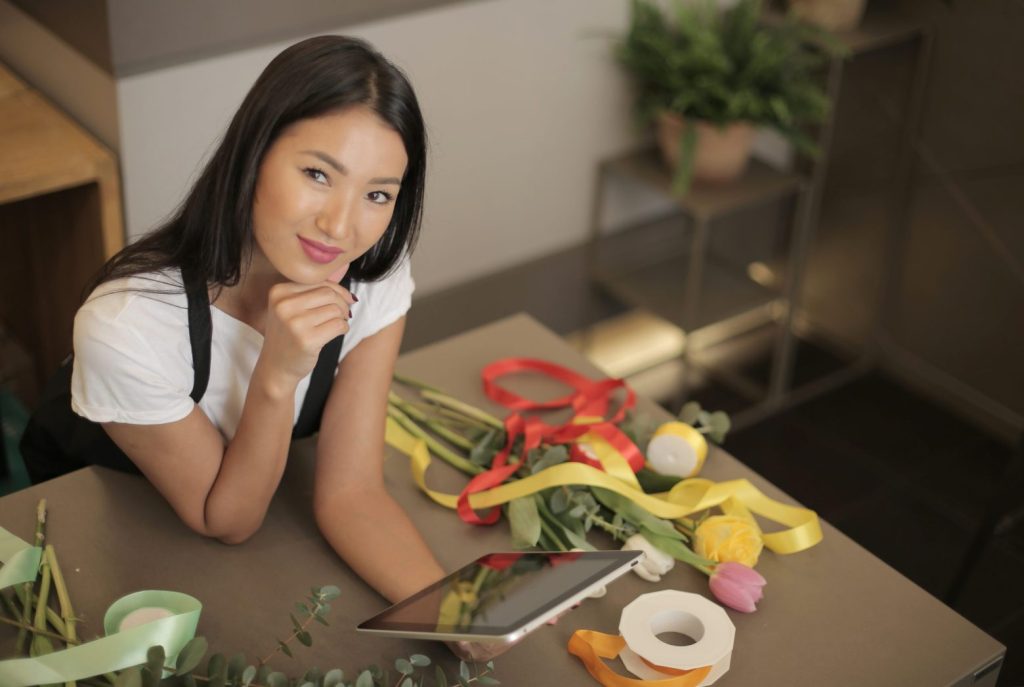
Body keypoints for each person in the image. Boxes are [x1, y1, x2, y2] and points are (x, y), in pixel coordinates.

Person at [21, 36, 507, 656]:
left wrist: (462, 620)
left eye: (377, 194)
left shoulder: (373, 276)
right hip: (101, 518)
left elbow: (351, 492)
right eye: (316, 174)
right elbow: (226, 521)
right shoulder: (129, 324)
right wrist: (277, 372)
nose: (341, 225)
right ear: (253, 156)